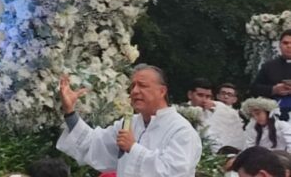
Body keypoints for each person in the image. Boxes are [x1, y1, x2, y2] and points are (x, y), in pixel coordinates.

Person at [56, 64, 202, 176]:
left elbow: (172, 173)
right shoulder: (129, 124)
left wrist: (133, 147)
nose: (135, 91)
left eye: (142, 85)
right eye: (133, 86)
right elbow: (94, 144)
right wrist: (69, 111)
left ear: (162, 91)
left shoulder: (181, 130)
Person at [187, 77, 245, 151]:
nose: (204, 100)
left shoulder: (216, 109)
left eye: (208, 96)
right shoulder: (181, 112)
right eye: (200, 95)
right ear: (190, 95)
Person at [252, 30, 291, 120]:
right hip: (273, 114)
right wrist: (273, 89)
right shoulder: (269, 66)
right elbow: (254, 88)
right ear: (279, 45)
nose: (289, 46)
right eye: (285, 43)